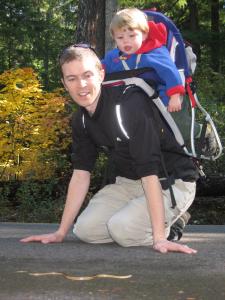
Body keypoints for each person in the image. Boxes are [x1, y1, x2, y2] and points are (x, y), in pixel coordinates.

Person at [21, 45, 198, 254]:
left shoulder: (129, 104)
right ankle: (142, 219)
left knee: (123, 230)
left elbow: (149, 171)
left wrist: (158, 239)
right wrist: (60, 232)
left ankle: (171, 227)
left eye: (87, 75)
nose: (81, 85)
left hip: (170, 181)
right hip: (128, 182)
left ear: (101, 74)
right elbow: (80, 174)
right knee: (86, 230)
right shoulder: (82, 120)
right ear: (64, 83)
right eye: (72, 78)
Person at [102, 8, 185, 113]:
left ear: (144, 34)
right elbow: (101, 67)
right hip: (127, 97)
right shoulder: (114, 56)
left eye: (132, 36)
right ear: (114, 38)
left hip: (155, 94)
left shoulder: (155, 52)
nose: (126, 41)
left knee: (164, 94)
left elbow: (170, 71)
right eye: (120, 37)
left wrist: (175, 95)